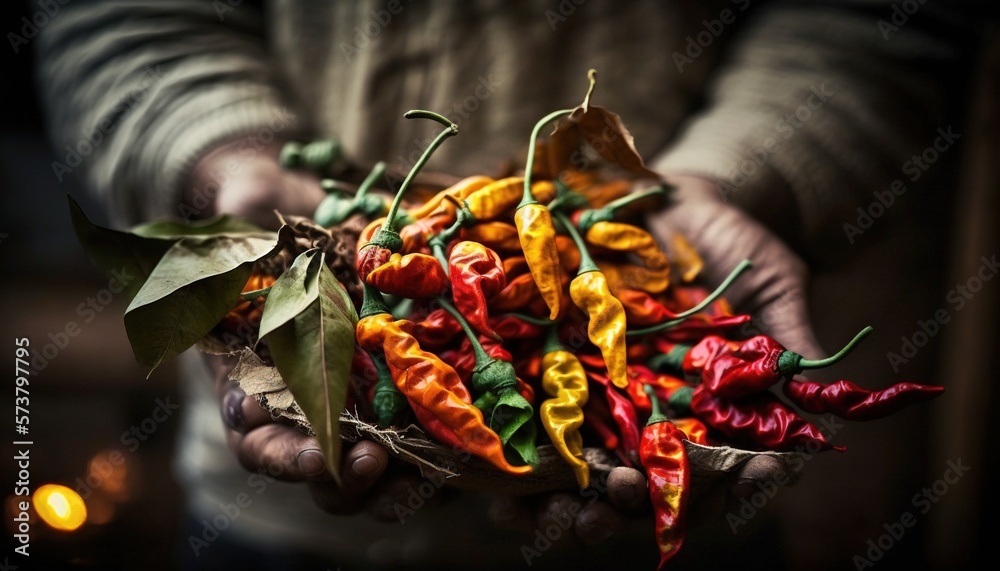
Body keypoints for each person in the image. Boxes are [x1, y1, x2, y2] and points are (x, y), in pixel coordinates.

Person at [36, 1, 987, 569]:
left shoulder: (560, 260)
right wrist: (228, 168)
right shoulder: (423, 269)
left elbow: (879, 21)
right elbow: (116, 16)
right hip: (278, 543)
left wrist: (735, 184)